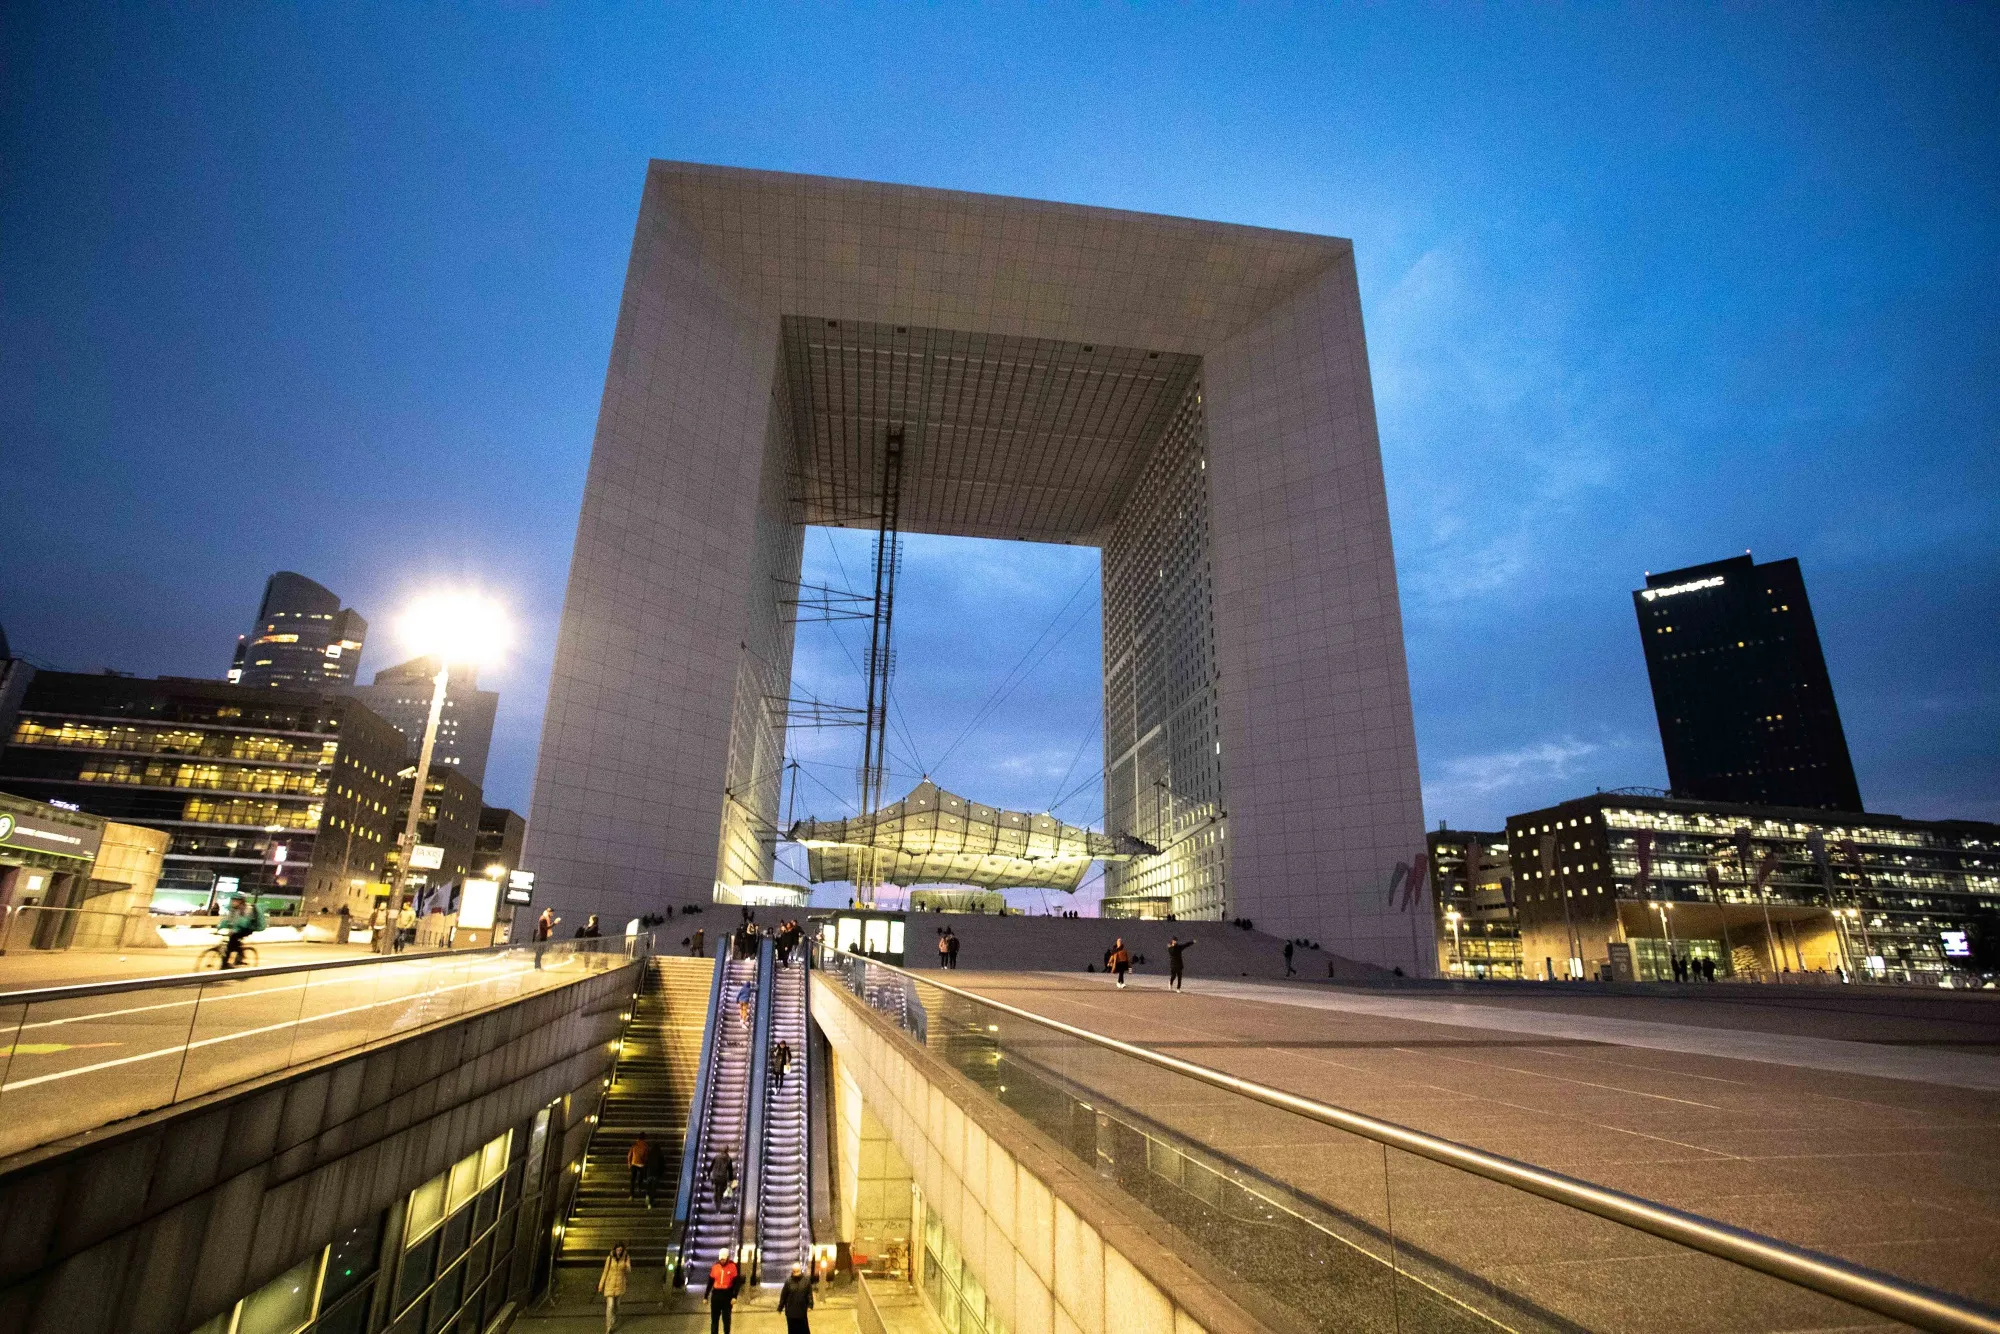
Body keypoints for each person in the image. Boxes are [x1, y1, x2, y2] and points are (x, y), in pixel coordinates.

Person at [218, 894, 264, 969]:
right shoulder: (232, 909)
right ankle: (238, 955)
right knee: (232, 942)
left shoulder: (247, 909)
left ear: (241, 902)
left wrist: (235, 930)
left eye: (236, 901)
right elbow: (227, 920)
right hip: (236, 928)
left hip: (248, 928)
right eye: (233, 900)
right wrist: (220, 927)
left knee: (231, 942)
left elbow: (244, 922)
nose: (233, 902)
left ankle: (229, 962)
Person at [598, 1242, 631, 1333]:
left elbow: (628, 1270)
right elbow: (605, 1272)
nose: (619, 1252)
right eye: (618, 1250)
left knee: (617, 1306)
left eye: (621, 1250)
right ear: (615, 1249)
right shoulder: (609, 1258)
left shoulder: (625, 1257)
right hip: (610, 1284)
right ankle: (608, 1326)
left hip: (620, 1285)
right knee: (610, 1306)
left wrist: (626, 1264)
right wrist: (601, 1285)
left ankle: (614, 1317)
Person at [706, 1248, 741, 1334]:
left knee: (726, 1320)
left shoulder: (732, 1267)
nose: (722, 1261)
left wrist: (734, 1296)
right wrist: (705, 1296)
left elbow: (736, 1283)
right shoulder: (715, 1267)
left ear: (727, 1258)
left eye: (724, 1259)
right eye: (721, 1259)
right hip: (716, 1295)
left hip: (727, 1295)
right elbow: (710, 1282)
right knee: (714, 1320)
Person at [776, 1263, 815, 1333]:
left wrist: (810, 1305)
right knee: (792, 1331)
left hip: (801, 1312)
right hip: (791, 1312)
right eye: (794, 1271)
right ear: (792, 1271)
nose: (796, 1273)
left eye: (797, 1271)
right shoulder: (788, 1281)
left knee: (803, 1330)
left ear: (800, 1270)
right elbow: (784, 1295)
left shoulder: (806, 1281)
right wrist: (780, 1307)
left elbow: (809, 1294)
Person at [627, 1132, 650, 1199]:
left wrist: (629, 1163)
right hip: (641, 1164)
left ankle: (631, 1195)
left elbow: (629, 1155)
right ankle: (640, 1188)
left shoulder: (634, 1144)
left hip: (634, 1163)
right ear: (644, 1138)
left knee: (632, 1180)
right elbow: (646, 1157)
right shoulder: (645, 1145)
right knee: (641, 1178)